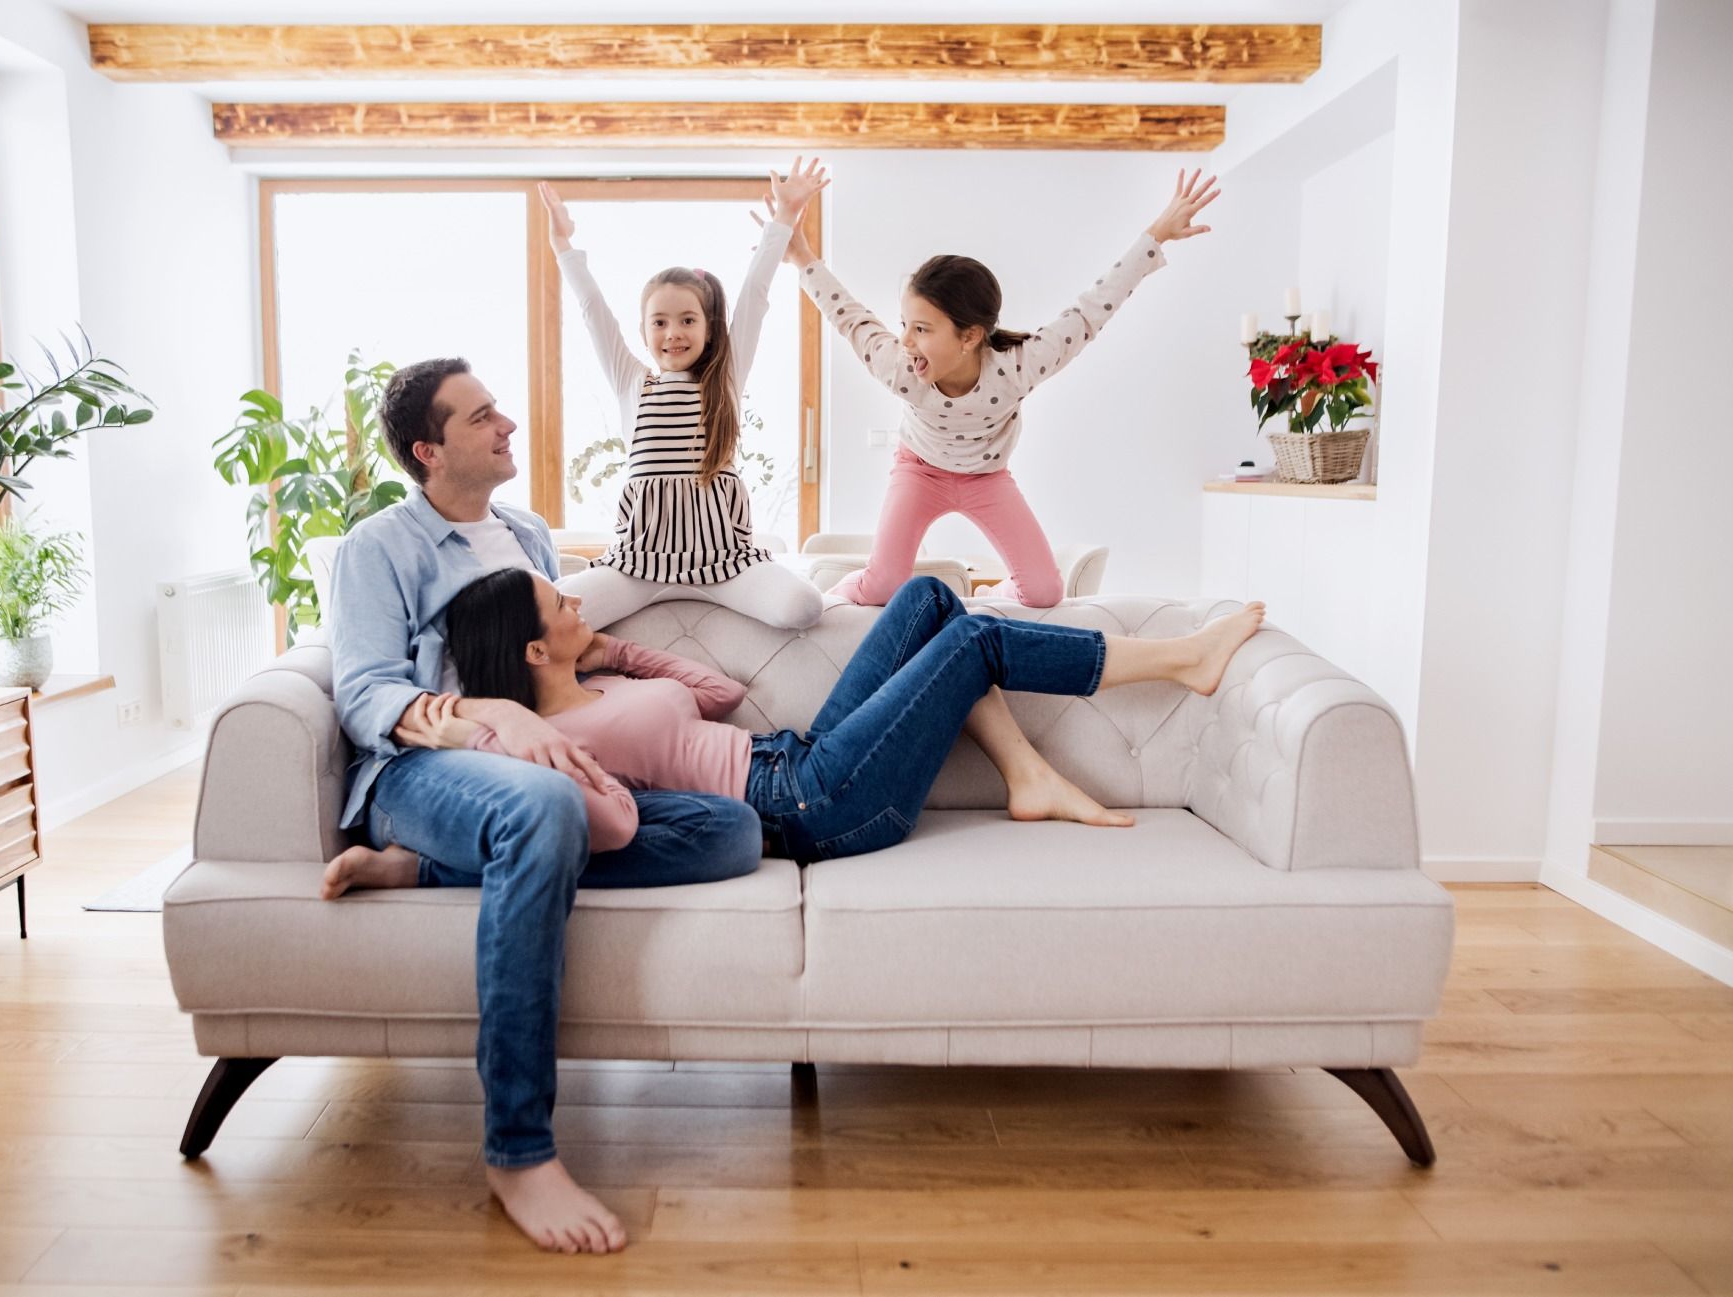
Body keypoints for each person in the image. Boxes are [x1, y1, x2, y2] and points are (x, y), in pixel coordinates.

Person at [324, 356, 765, 1256]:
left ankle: (433, 869)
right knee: (541, 810)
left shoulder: (525, 530)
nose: (508, 425)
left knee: (731, 828)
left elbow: (559, 653)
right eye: (483, 416)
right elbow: (363, 693)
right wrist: (487, 716)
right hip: (428, 770)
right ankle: (519, 1150)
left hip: (536, 759)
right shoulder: (379, 547)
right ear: (428, 449)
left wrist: (629, 668)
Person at [332, 569, 1264, 872]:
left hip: (797, 753)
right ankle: (1184, 658)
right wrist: (404, 866)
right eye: (563, 610)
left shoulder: (595, 683)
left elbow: (717, 694)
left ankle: (1025, 775)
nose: (582, 608)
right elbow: (531, 818)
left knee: (929, 596)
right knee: (973, 638)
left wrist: (618, 653)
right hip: (813, 806)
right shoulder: (547, 742)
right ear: (533, 652)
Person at [764, 169, 1221, 609]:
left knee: (1044, 591)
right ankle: (830, 600)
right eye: (905, 324)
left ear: (970, 336)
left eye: (921, 329)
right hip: (919, 472)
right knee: (882, 584)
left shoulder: (1018, 367)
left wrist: (1155, 235)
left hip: (987, 479)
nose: (905, 340)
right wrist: (801, 255)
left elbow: (1089, 314)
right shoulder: (900, 367)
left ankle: (986, 597)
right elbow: (851, 317)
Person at [541, 159, 829, 631]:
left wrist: (785, 217)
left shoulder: (726, 376)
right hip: (639, 563)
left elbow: (755, 292)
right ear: (643, 329)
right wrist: (562, 245)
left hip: (724, 563)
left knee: (804, 606)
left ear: (709, 327)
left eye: (687, 320)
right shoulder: (632, 381)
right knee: (545, 618)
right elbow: (593, 310)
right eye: (660, 322)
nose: (673, 333)